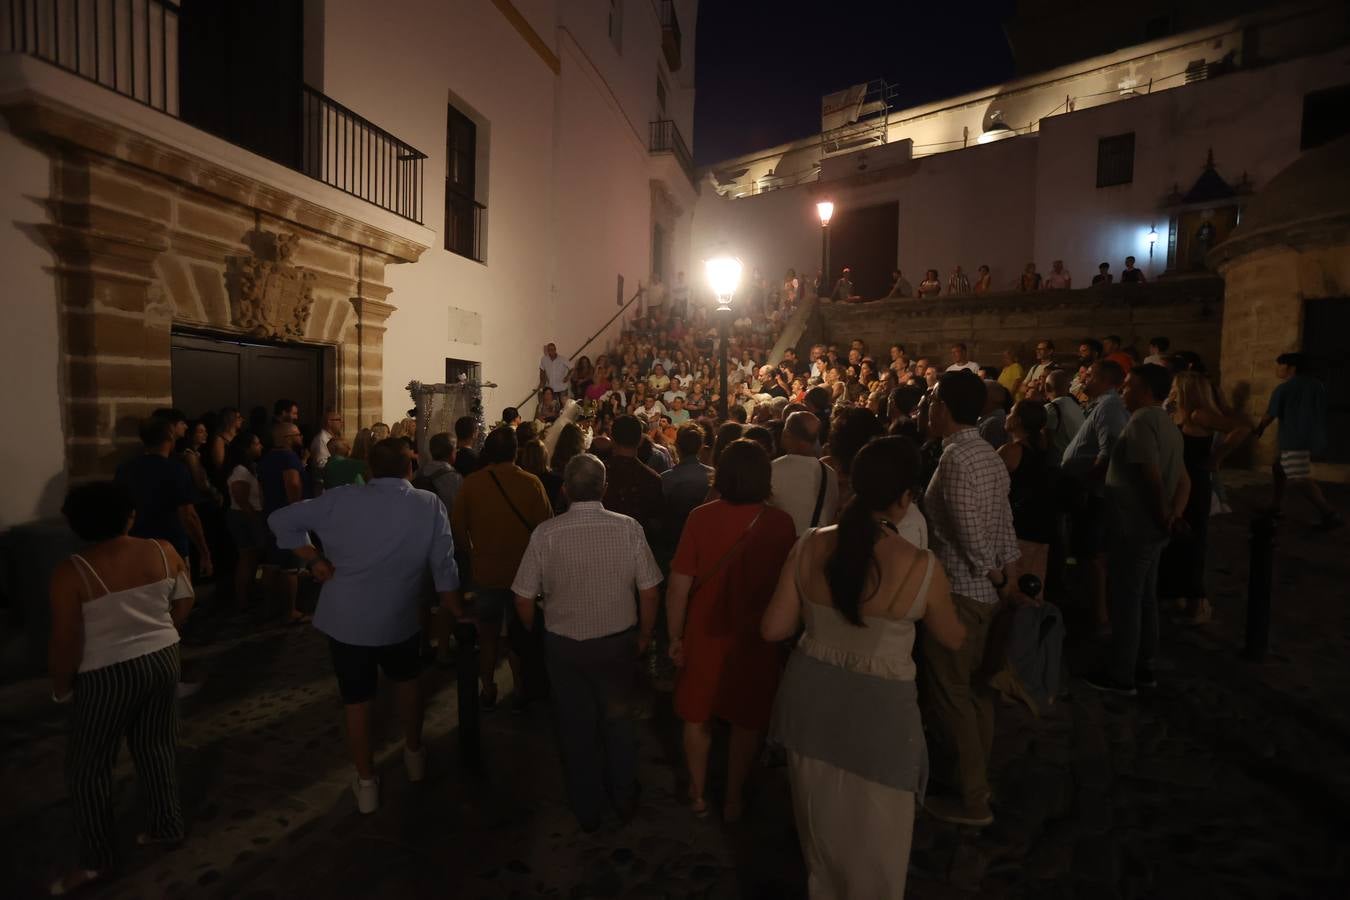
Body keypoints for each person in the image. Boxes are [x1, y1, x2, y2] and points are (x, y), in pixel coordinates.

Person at [763, 437, 964, 898]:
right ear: (904, 498)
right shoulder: (920, 565)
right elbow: (952, 637)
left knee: (821, 838)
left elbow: (773, 629)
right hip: (881, 718)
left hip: (810, 704)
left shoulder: (810, 545)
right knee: (878, 849)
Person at [269, 438, 461, 813]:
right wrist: (454, 607)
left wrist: (313, 559)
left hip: (347, 619)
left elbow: (280, 518)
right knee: (408, 686)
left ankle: (367, 782)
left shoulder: (342, 499)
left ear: (369, 469)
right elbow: (444, 564)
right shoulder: (427, 503)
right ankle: (414, 755)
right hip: (400, 616)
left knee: (357, 701)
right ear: (410, 467)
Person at [46, 481, 196, 895]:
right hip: (164, 658)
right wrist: (164, 630)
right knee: (157, 746)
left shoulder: (72, 572)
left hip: (104, 673)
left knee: (89, 768)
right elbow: (185, 601)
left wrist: (62, 688)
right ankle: (166, 826)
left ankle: (97, 861)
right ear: (130, 515)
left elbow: (64, 641)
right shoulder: (162, 550)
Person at [510, 454, 662, 830]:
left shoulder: (546, 533)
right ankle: (623, 794)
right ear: (604, 489)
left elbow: (523, 597)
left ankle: (586, 805)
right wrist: (645, 633)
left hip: (565, 645)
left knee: (576, 727)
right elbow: (650, 590)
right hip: (616, 642)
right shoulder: (628, 528)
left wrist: (535, 630)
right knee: (618, 722)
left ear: (564, 490)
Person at [665, 440, 797, 821]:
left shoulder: (701, 518)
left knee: (697, 716)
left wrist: (674, 635)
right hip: (755, 636)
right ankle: (734, 799)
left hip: (705, 631)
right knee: (746, 719)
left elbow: (679, 584)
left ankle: (697, 792)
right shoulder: (780, 523)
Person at [920, 371, 1021, 827]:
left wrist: (997, 574)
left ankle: (973, 798)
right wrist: (1008, 576)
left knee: (952, 696)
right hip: (986, 592)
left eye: (933, 402)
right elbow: (1003, 523)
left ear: (943, 407)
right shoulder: (989, 455)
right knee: (978, 692)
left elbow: (971, 536)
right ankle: (978, 779)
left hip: (961, 590)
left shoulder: (959, 459)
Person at [1083, 365, 1188, 695]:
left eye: (1128, 386)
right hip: (1155, 527)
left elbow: (1151, 475)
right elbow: (1185, 480)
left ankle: (1121, 673)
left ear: (1144, 391)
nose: (1123, 391)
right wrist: (1173, 516)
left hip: (1136, 527)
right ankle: (1144, 664)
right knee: (1145, 598)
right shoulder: (1168, 423)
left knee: (1126, 600)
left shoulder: (1142, 422)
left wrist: (1161, 514)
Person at [451, 427, 553, 712]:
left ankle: (487, 685)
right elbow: (546, 527)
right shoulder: (531, 483)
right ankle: (520, 687)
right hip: (524, 574)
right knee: (519, 636)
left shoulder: (472, 484)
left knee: (487, 634)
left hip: (487, 571)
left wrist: (474, 553)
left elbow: (458, 529)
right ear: (515, 451)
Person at [1159, 372, 1252, 625]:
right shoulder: (1178, 412)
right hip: (1178, 481)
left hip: (1196, 480)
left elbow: (1241, 429)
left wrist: (1217, 458)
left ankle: (1196, 602)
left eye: (1176, 386)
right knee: (1175, 538)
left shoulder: (1199, 414)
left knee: (1193, 539)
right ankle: (1175, 592)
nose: (1172, 390)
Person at [1062, 360, 1129, 632]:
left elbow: (1109, 452)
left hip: (1092, 493)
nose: (1083, 381)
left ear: (1103, 380)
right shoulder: (1104, 405)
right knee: (1086, 552)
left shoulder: (1110, 406)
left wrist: (1086, 483)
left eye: (1089, 376)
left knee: (1094, 554)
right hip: (1088, 490)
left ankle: (1099, 617)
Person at [116, 418, 212, 579]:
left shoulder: (125, 469)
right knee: (177, 599)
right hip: (170, 546)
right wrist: (205, 552)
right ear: (170, 437)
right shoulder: (176, 470)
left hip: (135, 544)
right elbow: (189, 516)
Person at [1255, 352, 1342, 529]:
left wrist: (1259, 429)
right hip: (1312, 437)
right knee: (1278, 467)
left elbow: (1270, 415)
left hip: (1294, 439)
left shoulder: (1284, 389)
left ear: (1291, 367)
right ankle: (1276, 506)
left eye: (1280, 365)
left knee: (1299, 478)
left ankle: (1329, 513)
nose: (1277, 368)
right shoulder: (1318, 385)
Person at [258, 421, 306, 624]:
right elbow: (293, 484)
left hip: (270, 514)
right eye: (297, 434)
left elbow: (261, 490)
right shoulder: (288, 457)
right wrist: (296, 512)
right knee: (290, 567)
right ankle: (290, 610)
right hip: (287, 516)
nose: (301, 438)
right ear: (287, 438)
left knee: (271, 564)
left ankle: (268, 607)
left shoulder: (266, 458)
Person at [771, 412, 840, 536]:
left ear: (787, 434)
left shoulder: (772, 469)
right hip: (815, 546)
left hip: (783, 545)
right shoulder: (830, 474)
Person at [603, 414, 664, 540]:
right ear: (640, 440)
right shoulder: (653, 479)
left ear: (612, 439)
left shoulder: (601, 475)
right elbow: (656, 525)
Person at [224, 431, 266, 610]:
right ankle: (242, 599)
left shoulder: (249, 468)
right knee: (246, 558)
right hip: (244, 517)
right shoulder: (240, 471)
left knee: (251, 557)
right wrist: (256, 521)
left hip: (249, 515)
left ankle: (248, 594)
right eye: (256, 444)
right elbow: (242, 500)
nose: (260, 447)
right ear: (246, 448)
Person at [661, 423, 714, 547]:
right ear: (701, 447)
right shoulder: (713, 475)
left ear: (676, 446)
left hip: (674, 540)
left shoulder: (666, 478)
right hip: (706, 537)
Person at [1044, 369, 1086, 458]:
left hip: (1061, 463)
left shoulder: (1052, 408)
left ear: (1047, 387)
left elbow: (1045, 442)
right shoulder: (1075, 405)